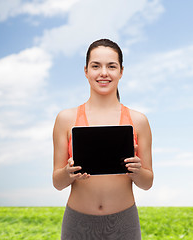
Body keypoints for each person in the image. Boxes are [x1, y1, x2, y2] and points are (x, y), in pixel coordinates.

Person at [53, 39, 153, 239]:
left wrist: (136, 170)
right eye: (96, 66)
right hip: (77, 224)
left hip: (124, 223)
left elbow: (147, 182)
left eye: (111, 66)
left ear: (121, 71)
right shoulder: (66, 119)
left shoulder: (138, 121)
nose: (104, 73)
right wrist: (68, 172)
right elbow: (57, 181)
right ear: (86, 70)